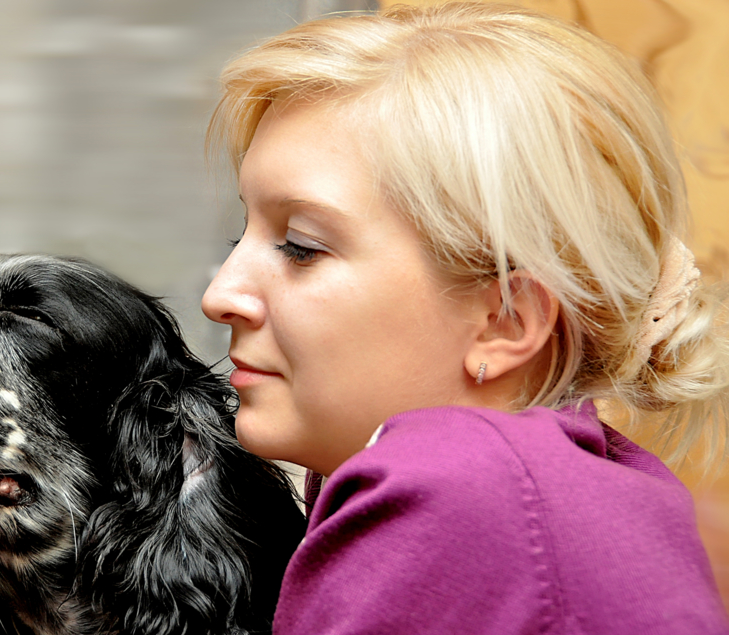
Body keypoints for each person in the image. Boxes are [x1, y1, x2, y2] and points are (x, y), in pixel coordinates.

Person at [201, 2, 729, 633]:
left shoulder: (461, 490)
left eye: (302, 245)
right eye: (242, 235)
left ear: (504, 320)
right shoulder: (553, 490)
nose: (222, 294)